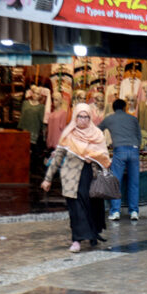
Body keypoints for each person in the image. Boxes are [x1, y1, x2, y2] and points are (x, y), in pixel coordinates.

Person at [41, 104, 111, 253]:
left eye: (86, 117)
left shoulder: (97, 134)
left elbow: (105, 157)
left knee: (90, 207)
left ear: (90, 118)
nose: (83, 120)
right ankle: (76, 240)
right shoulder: (68, 134)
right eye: (80, 116)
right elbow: (58, 157)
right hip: (71, 178)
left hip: (90, 176)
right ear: (75, 117)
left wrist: (92, 157)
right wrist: (48, 178)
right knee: (76, 209)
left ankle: (92, 234)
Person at [98, 99, 142, 221]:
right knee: (134, 183)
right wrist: (137, 146)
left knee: (116, 182)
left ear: (113, 108)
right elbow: (139, 135)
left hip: (119, 150)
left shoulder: (109, 119)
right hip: (134, 150)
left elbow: (97, 130)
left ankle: (115, 211)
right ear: (124, 107)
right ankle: (134, 212)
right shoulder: (133, 119)